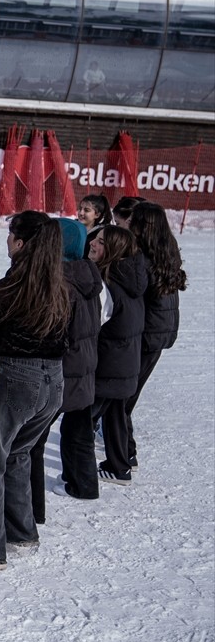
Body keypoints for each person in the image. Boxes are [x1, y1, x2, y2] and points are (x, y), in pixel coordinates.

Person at [0, 211, 71, 570]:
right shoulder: (60, 288)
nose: (7, 242)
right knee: (18, 454)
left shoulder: (8, 289)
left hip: (17, 381)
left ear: (21, 244)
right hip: (53, 382)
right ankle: (21, 531)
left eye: (11, 236)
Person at [38, 219, 104, 507]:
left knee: (32, 438)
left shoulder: (60, 280)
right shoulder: (88, 275)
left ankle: (29, 509)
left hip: (64, 366)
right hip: (86, 363)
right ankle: (85, 484)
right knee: (79, 428)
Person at [124, 202, 186, 478]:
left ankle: (124, 455)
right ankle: (123, 450)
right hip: (160, 332)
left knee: (122, 396)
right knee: (126, 395)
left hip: (147, 333)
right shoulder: (166, 249)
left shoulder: (143, 256)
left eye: (133, 221)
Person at [88, 225, 148, 486]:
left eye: (100, 242)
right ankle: (122, 464)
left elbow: (94, 326)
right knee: (114, 415)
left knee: (80, 422)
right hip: (125, 363)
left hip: (110, 364)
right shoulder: (128, 278)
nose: (93, 244)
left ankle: (81, 481)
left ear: (112, 250)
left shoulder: (108, 284)